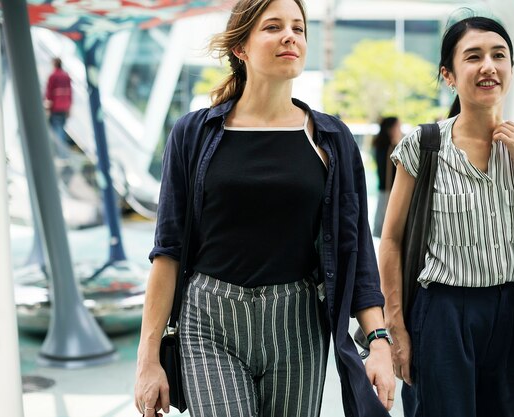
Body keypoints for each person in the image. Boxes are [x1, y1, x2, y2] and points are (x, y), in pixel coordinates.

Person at [134, 1, 395, 416]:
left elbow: (355, 249)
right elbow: (167, 250)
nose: (290, 36)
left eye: (298, 27)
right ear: (241, 47)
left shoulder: (331, 140)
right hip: (209, 320)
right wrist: (148, 359)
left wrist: (378, 340)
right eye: (273, 27)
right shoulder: (193, 134)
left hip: (297, 323)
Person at [379, 16, 514, 417]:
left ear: (512, 70)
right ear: (449, 74)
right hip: (442, 313)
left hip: (509, 310)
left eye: (499, 55)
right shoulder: (423, 146)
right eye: (473, 56)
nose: (488, 66)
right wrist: (397, 328)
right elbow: (391, 238)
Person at [372, 116, 403, 238]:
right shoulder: (392, 149)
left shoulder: (379, 147)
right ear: (391, 129)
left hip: (384, 192)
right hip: (390, 193)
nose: (400, 130)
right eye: (398, 127)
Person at [44, 57, 72, 158]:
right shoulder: (66, 76)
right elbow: (70, 93)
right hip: (65, 107)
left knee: (56, 130)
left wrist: (47, 106)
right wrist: (69, 108)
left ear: (54, 64)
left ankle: (61, 154)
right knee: (61, 128)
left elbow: (49, 92)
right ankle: (62, 153)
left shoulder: (53, 76)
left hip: (56, 106)